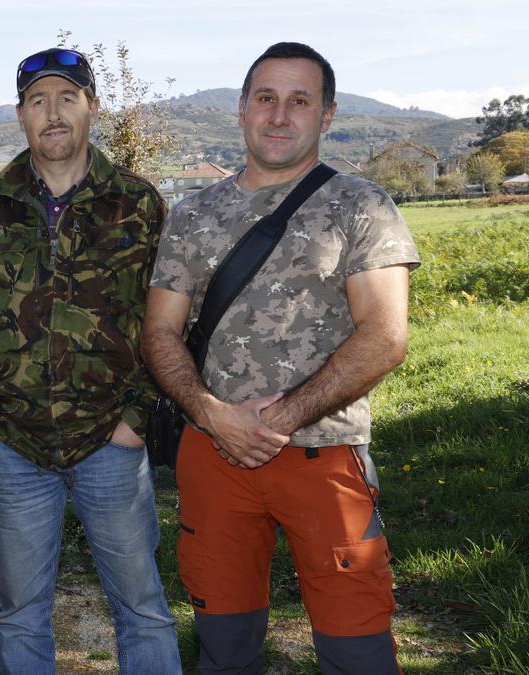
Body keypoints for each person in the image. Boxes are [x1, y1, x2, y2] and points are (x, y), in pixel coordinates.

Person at [142, 42, 420, 673]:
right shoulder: (192, 214)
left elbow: (385, 336)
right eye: (265, 98)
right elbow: (159, 332)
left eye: (300, 101)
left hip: (324, 455)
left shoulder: (362, 206)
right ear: (241, 110)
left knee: (358, 650)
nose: (279, 115)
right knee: (225, 647)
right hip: (214, 457)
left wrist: (277, 420)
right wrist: (212, 415)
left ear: (326, 115)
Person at [0, 48, 181, 673]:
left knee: (143, 605)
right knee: (21, 612)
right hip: (10, 444)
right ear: (21, 115)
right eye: (38, 101)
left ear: (92, 109)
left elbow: (173, 323)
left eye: (67, 98)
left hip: (112, 441)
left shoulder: (138, 203)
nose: (53, 113)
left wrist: (138, 418)